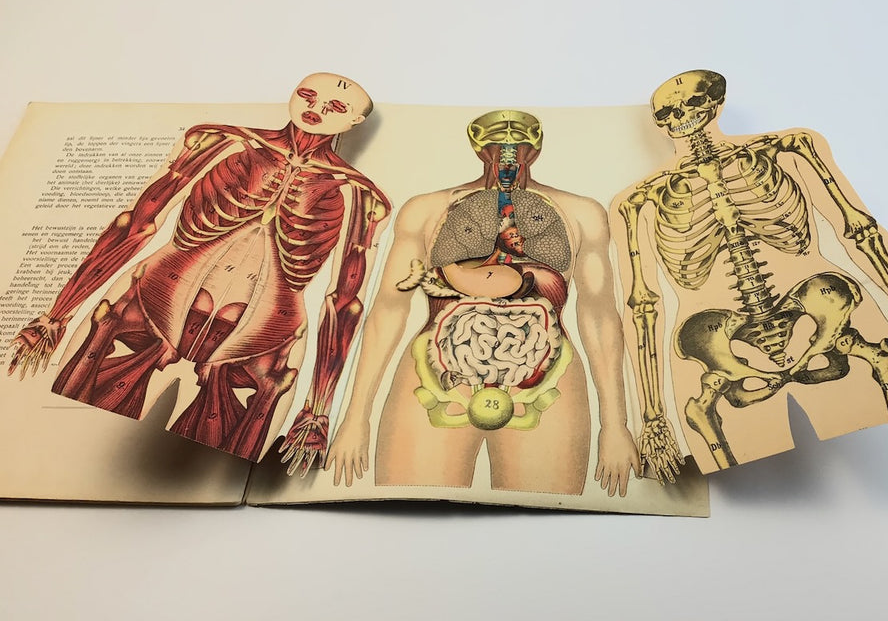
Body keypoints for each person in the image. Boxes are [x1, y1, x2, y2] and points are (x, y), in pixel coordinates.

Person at [9, 73, 389, 474]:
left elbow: (345, 301)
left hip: (263, 333)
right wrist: (55, 317)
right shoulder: (220, 140)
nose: (315, 110)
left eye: (335, 107)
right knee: (69, 441)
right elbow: (137, 223)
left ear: (354, 122)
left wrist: (317, 411)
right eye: (308, 96)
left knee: (216, 469)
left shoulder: (360, 194)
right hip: (156, 295)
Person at [328, 110, 639, 496]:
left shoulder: (581, 213)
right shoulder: (425, 209)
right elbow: (389, 307)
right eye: (496, 146)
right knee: (412, 509)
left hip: (546, 382)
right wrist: (355, 416)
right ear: (478, 148)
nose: (508, 156)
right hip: (434, 378)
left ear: (536, 149)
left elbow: (600, 315)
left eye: (519, 146)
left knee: (544, 520)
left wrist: (616, 424)